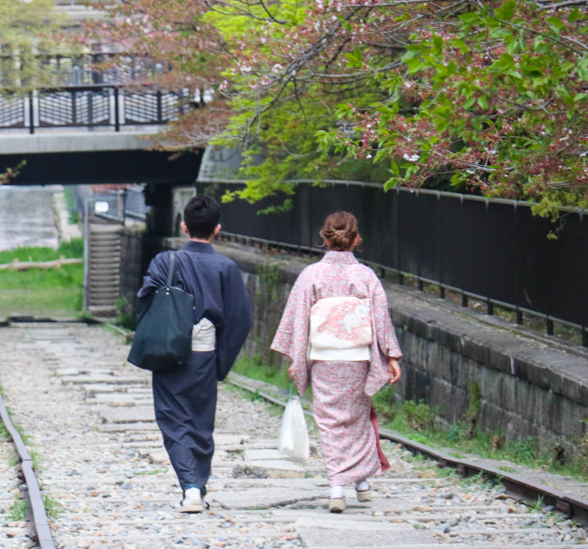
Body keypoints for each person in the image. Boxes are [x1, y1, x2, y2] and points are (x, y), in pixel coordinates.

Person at [270, 211, 402, 513]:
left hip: (325, 359)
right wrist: (391, 356)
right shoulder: (365, 276)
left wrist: (298, 357)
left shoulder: (311, 275)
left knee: (330, 422)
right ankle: (361, 483)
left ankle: (337, 487)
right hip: (358, 358)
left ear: (324, 238)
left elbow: (299, 319)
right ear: (356, 240)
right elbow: (380, 320)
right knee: (357, 418)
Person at [137, 195, 252, 513]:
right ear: (217, 229)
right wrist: (221, 362)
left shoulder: (164, 261)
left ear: (184, 226)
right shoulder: (226, 268)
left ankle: (188, 487)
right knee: (201, 421)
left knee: (173, 420)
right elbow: (241, 319)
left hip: (168, 348)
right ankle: (197, 486)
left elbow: (145, 298)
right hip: (205, 350)